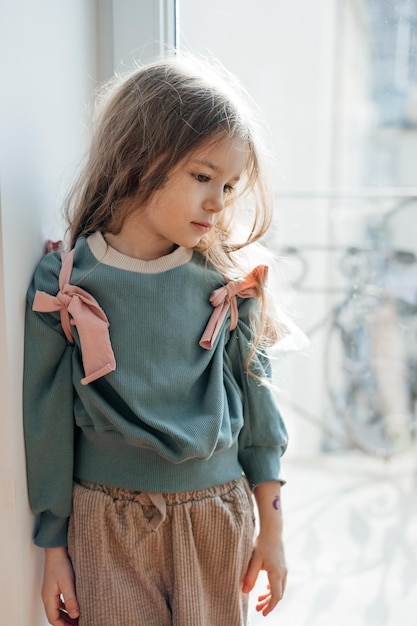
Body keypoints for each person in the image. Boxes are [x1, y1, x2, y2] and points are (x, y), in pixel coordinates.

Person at [23, 54, 289, 626]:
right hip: (104, 523)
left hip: (217, 516)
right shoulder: (64, 282)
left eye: (228, 185)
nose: (219, 202)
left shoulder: (228, 282)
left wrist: (274, 530)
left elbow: (260, 410)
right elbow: (45, 421)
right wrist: (53, 548)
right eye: (202, 177)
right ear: (138, 159)